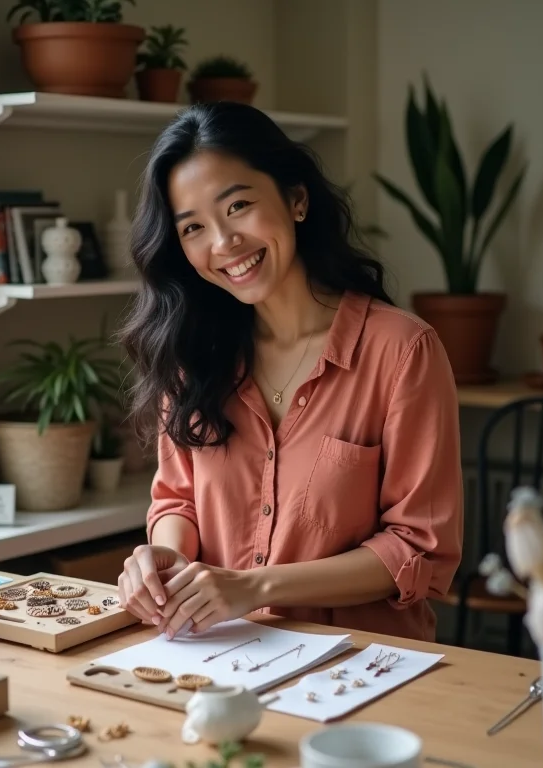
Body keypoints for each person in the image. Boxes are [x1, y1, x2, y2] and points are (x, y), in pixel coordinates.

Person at [117, 101, 463, 643]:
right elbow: (177, 498)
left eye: (238, 207)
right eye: (193, 228)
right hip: (220, 658)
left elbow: (417, 546)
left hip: (364, 667)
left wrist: (255, 587)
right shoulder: (190, 355)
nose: (223, 243)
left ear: (297, 199)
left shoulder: (401, 351)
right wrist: (167, 555)